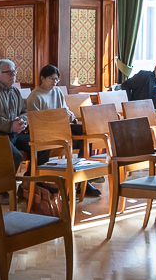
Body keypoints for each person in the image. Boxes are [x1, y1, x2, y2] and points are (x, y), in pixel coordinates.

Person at [26, 64, 101, 198]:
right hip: (46, 131)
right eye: (51, 78)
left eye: (56, 79)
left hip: (62, 127)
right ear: (42, 78)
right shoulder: (35, 96)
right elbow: (36, 121)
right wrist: (58, 119)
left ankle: (82, 179)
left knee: (86, 132)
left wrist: (70, 115)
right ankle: (35, 181)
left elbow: (65, 109)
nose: (54, 82)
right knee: (49, 140)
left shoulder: (57, 92)